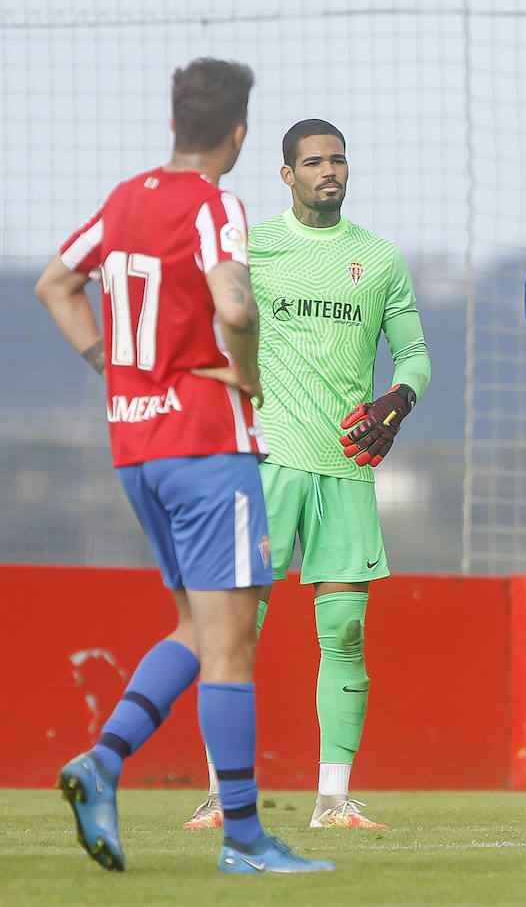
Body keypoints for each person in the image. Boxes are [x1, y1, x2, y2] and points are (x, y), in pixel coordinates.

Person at [37, 58, 334, 874]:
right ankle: (244, 838)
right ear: (238, 135)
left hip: (137, 449)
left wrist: (112, 368)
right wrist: (248, 371)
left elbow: (56, 283)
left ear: (174, 124)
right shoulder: (215, 205)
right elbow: (235, 304)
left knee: (195, 632)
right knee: (233, 646)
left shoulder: (126, 198)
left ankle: (99, 764)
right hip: (208, 446)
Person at [182, 119, 430, 832]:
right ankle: (221, 794)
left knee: (346, 632)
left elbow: (414, 354)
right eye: (315, 162)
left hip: (346, 466)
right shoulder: (253, 247)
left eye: (339, 160)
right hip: (264, 464)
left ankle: (332, 799)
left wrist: (399, 398)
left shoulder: (379, 259)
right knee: (235, 632)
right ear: (286, 174)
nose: (331, 171)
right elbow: (200, 329)